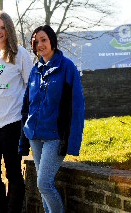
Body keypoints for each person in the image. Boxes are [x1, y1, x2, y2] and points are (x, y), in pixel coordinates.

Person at [19, 25, 85, 213]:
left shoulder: (67, 67)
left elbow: (77, 107)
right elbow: (27, 105)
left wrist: (73, 142)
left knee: (44, 184)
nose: (40, 44)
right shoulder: (35, 70)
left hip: (55, 136)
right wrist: (23, 137)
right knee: (43, 186)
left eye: (44, 40)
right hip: (35, 135)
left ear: (52, 41)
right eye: (36, 41)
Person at [0, 11, 33, 213]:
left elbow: (30, 87)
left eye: (3, 27)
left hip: (11, 122)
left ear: (9, 29)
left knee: (13, 172)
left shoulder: (20, 54)